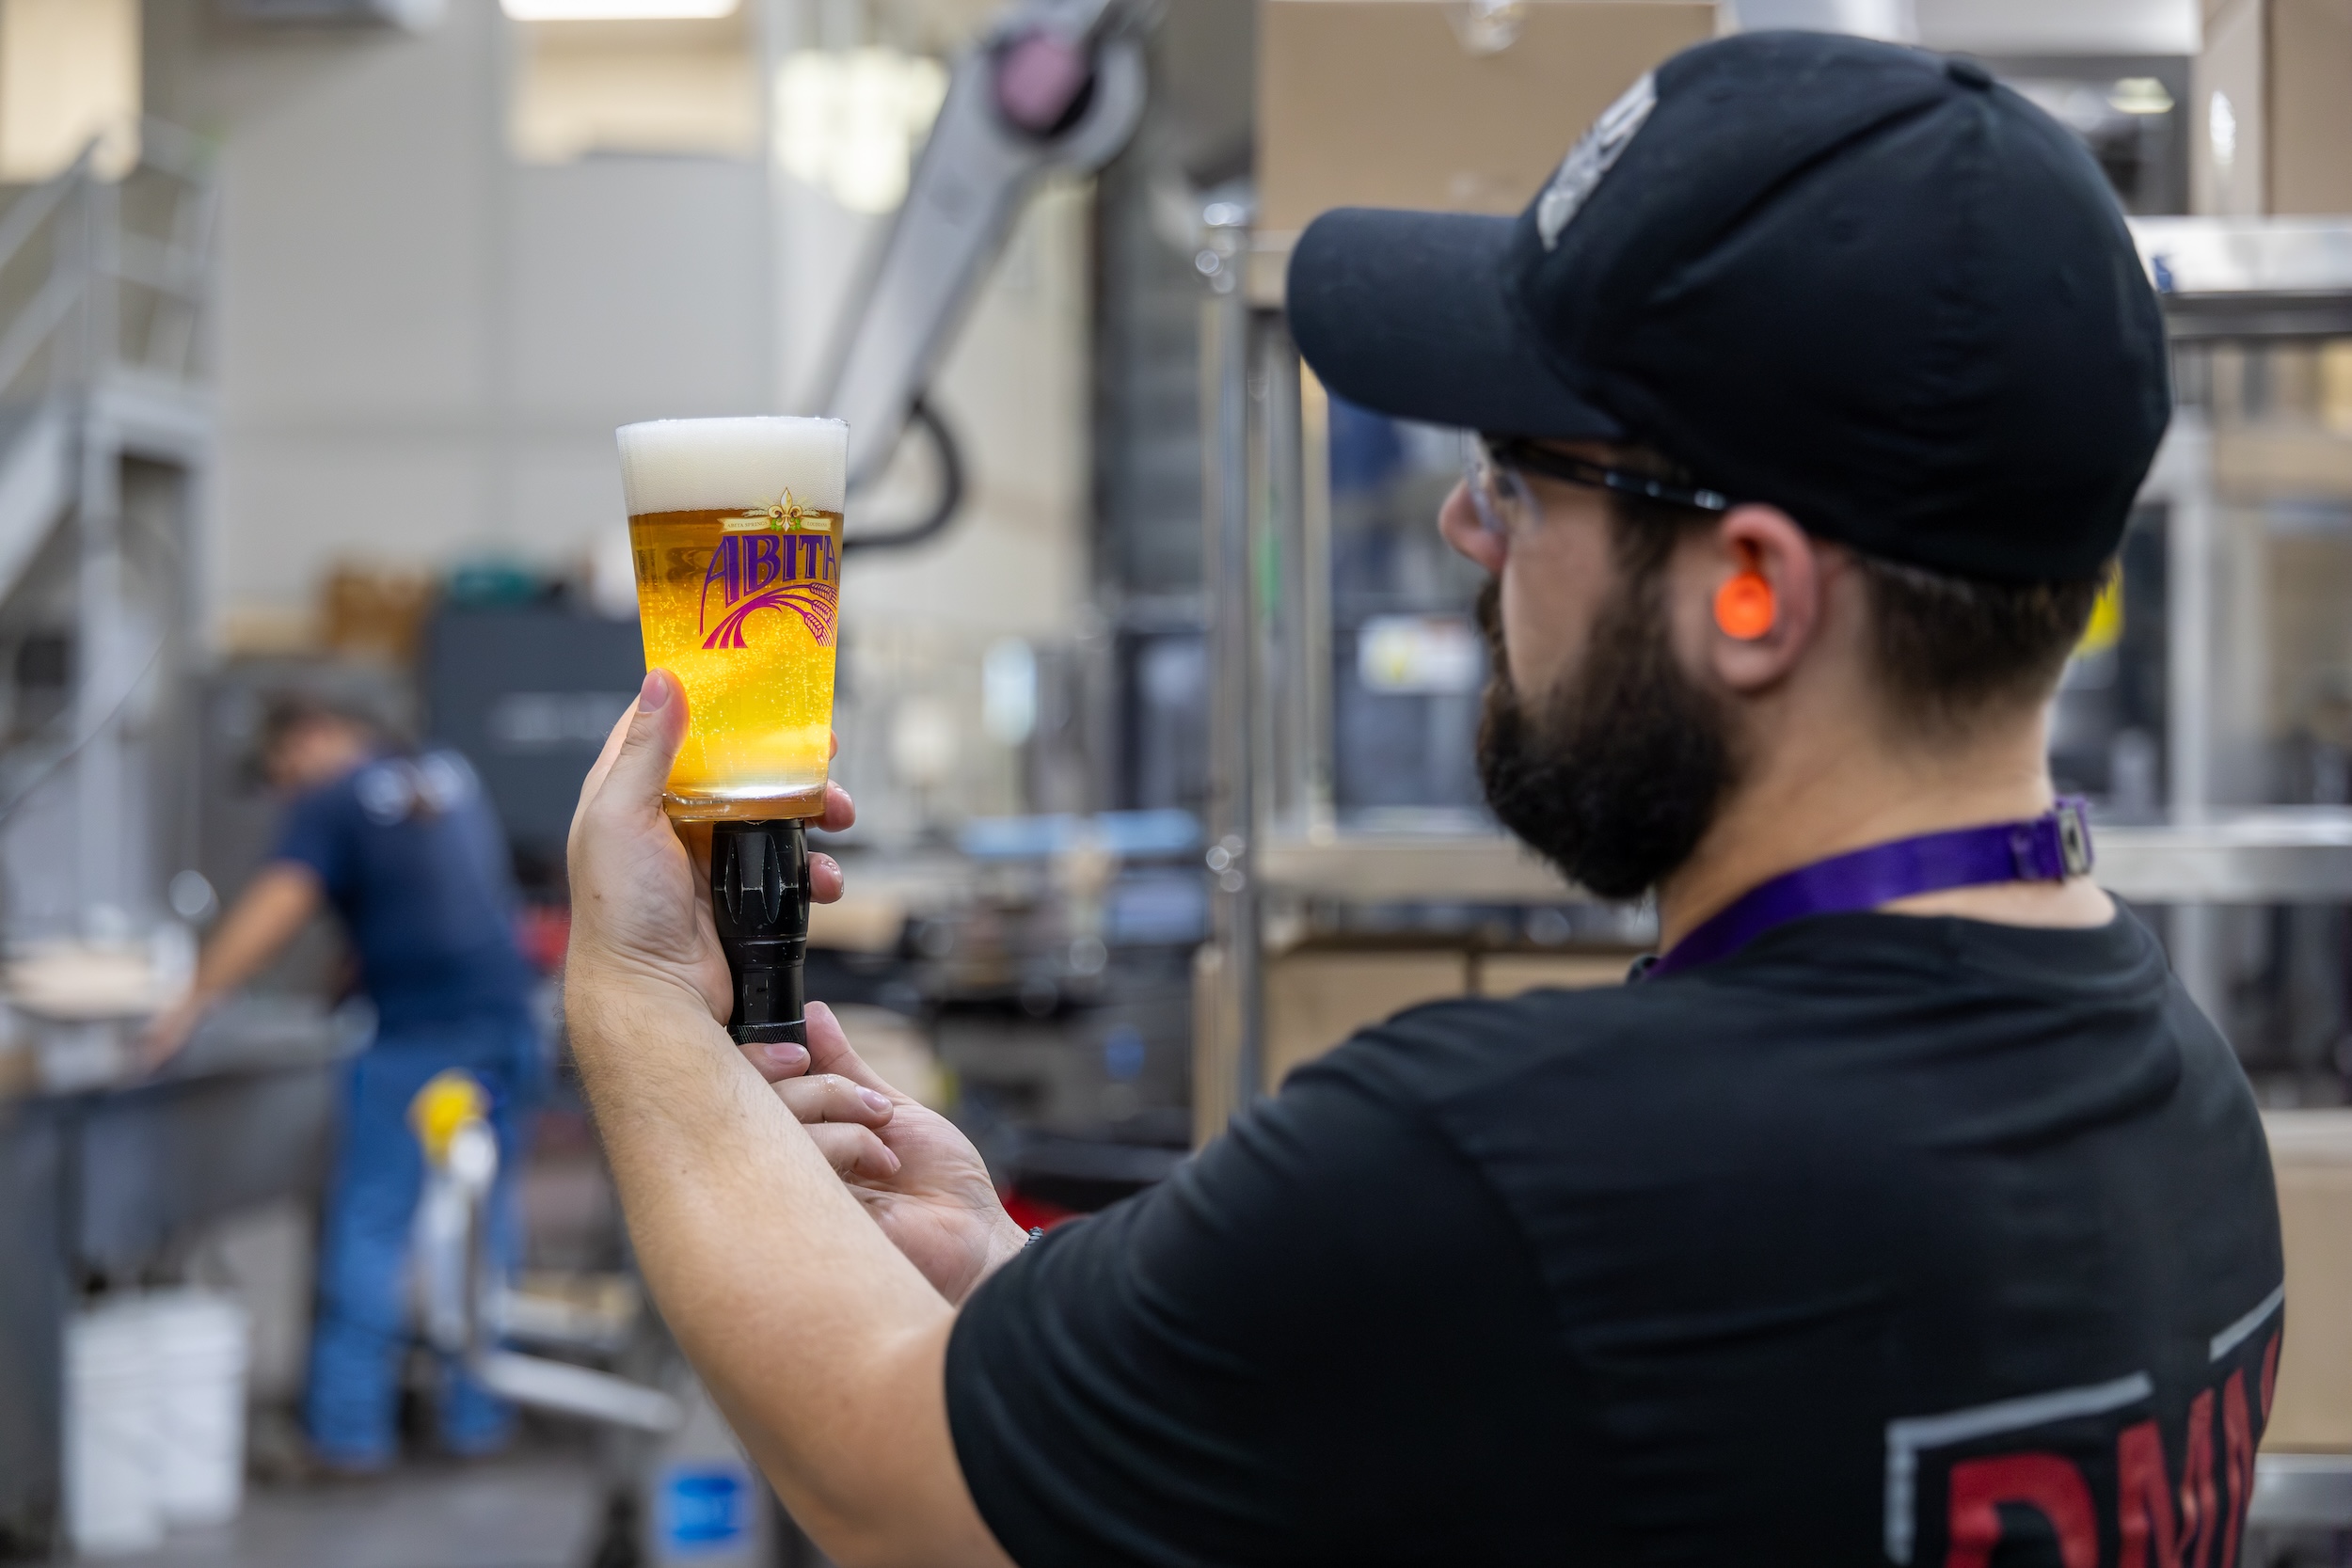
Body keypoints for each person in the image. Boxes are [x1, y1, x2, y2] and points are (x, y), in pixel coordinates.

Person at [562, 32, 2283, 1567]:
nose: (1470, 529)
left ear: (1749, 588)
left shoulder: (1516, 1168)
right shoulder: (2182, 1105)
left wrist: (639, 1003)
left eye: (1526, 474)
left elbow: (882, 1473)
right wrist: (1046, 1316)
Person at [144, 696, 547, 1472]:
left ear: (310, 734)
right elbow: (439, 903)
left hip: (419, 1042)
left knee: (371, 1225)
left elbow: (278, 904)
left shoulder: (331, 795)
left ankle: (347, 1436)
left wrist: (187, 1004)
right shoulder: (441, 771)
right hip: (504, 1023)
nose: (286, 789)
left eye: (280, 771)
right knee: (482, 1220)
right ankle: (479, 1416)